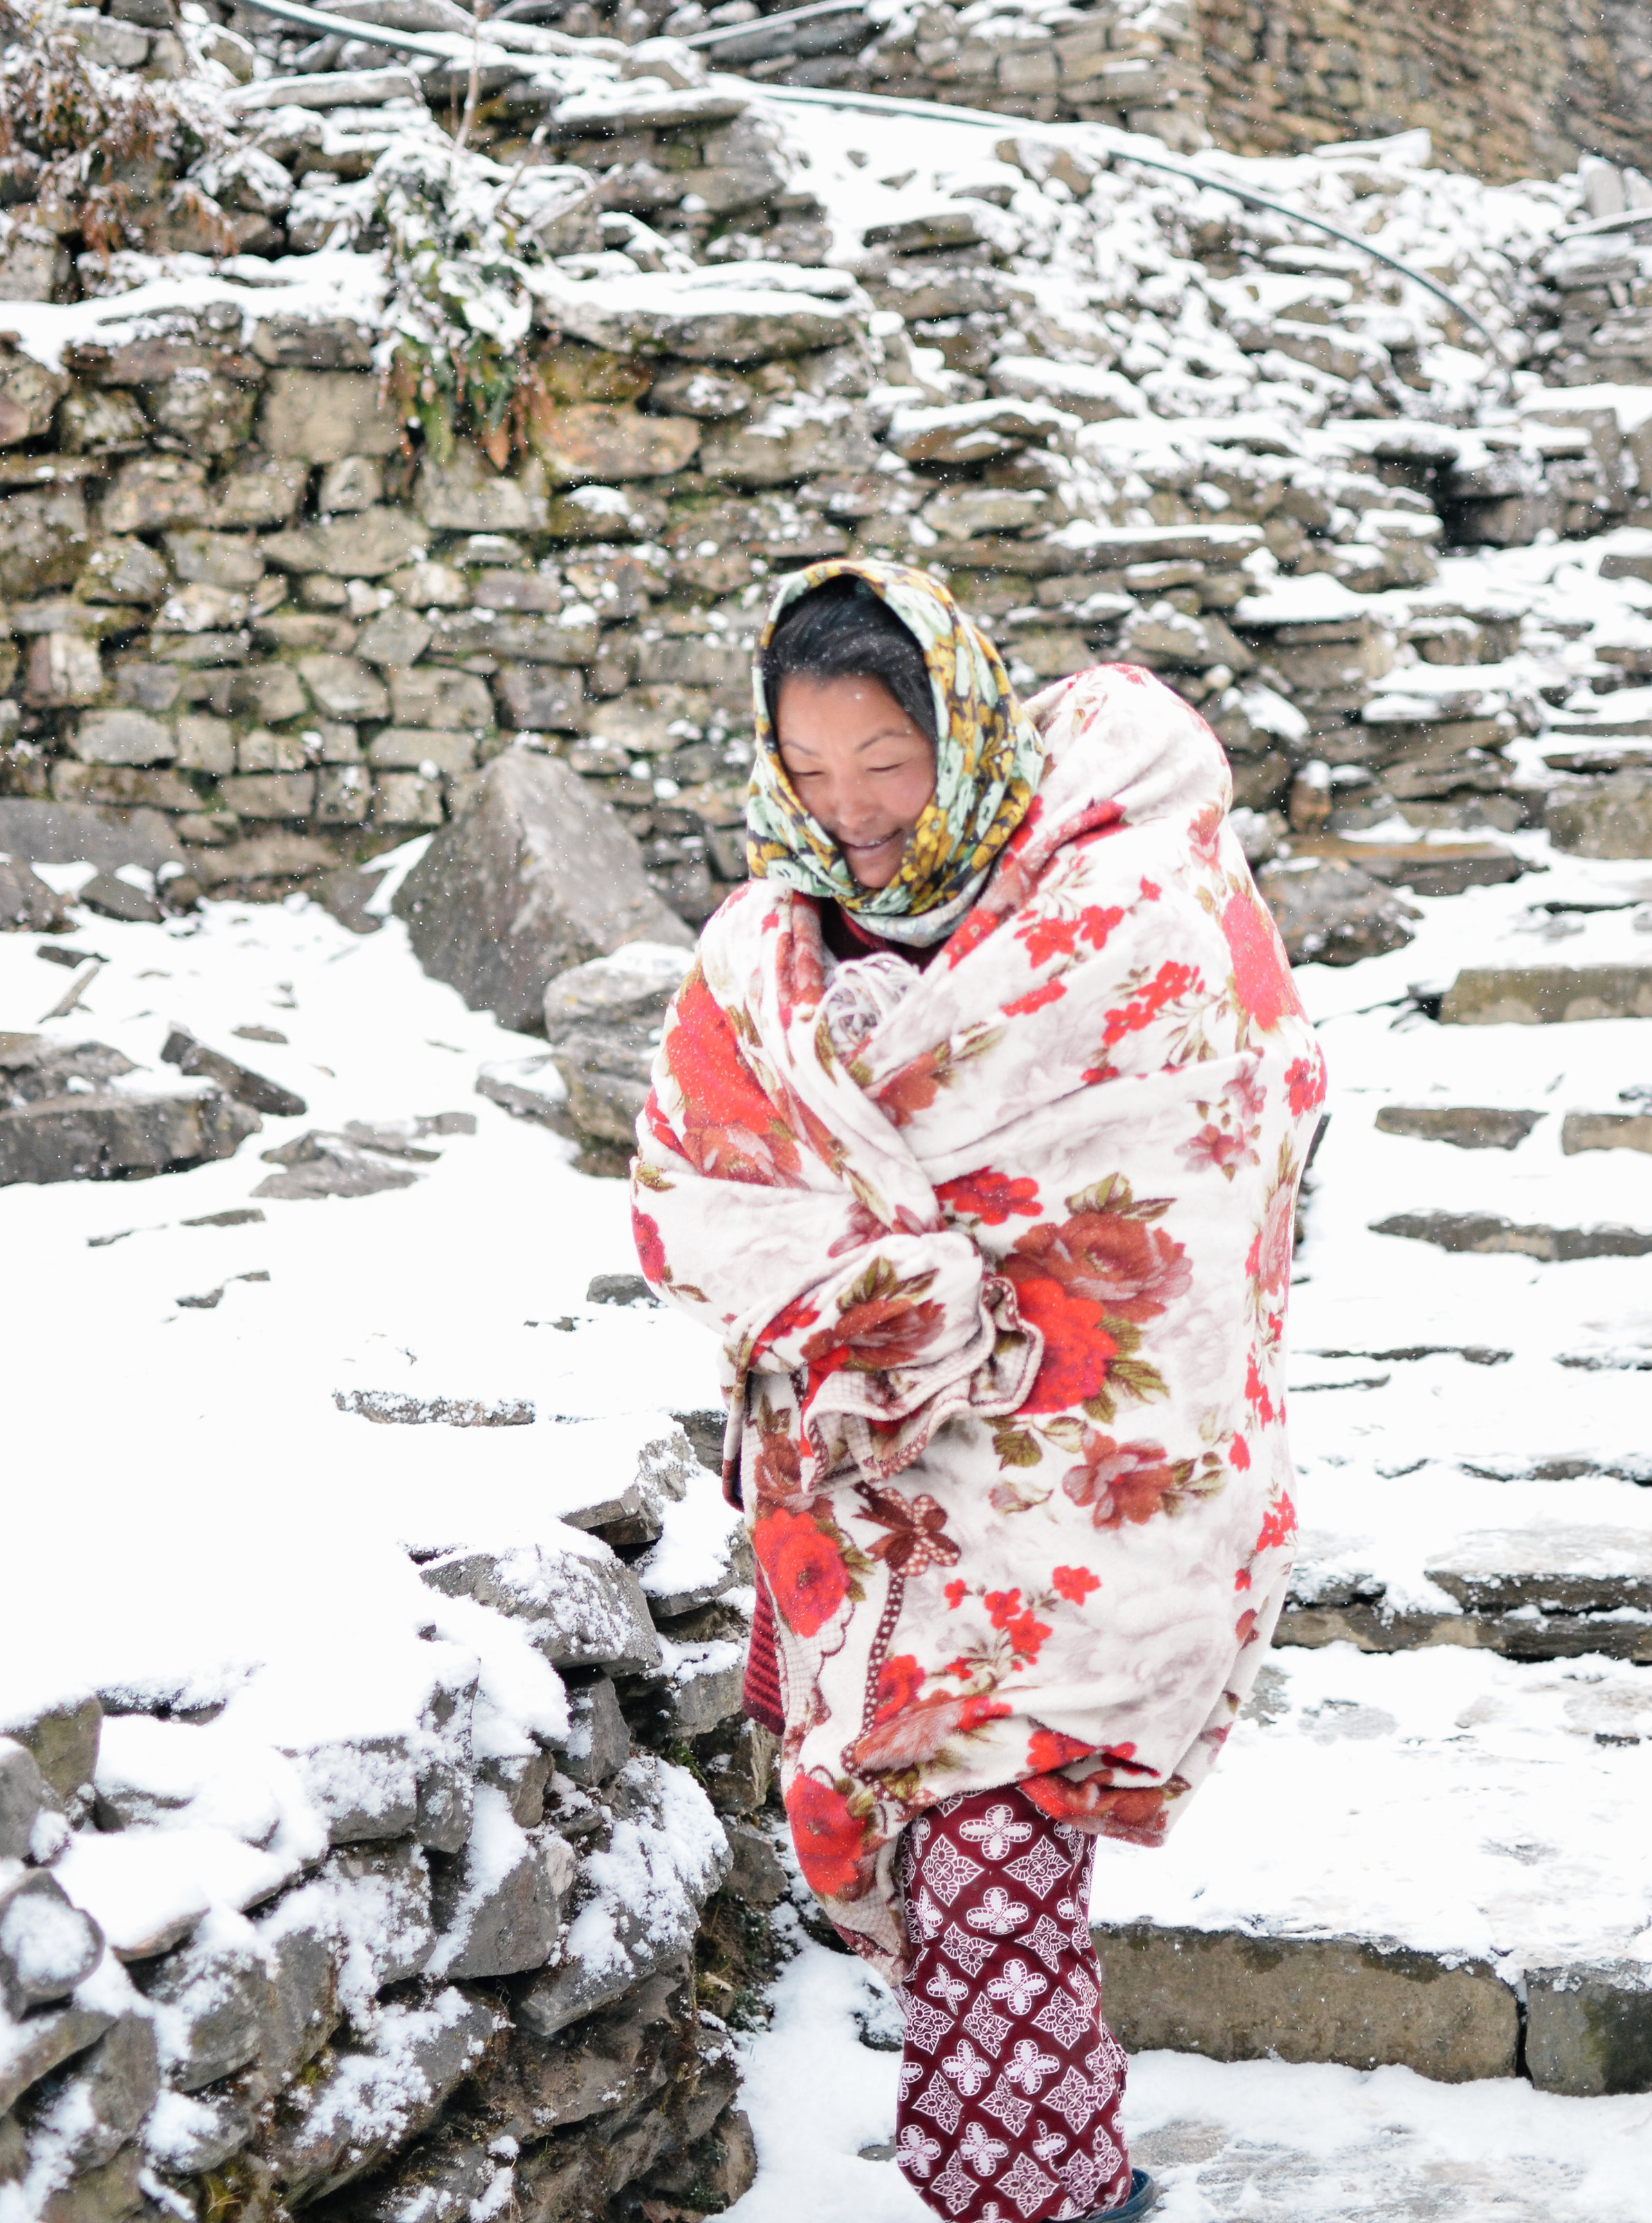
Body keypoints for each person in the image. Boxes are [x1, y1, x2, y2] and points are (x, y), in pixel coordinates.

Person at [632, 560, 1325, 2223]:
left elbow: (1219, 1140)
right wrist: (878, 1293)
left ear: (959, 726)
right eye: (807, 773)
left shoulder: (1117, 912)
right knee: (964, 1876)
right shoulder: (761, 949)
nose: (849, 811)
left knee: (998, 1858)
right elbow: (690, 1182)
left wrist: (993, 1282)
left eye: (884, 762)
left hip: (1081, 1476)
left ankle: (1028, 2194)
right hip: (877, 1500)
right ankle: (1045, 2172)